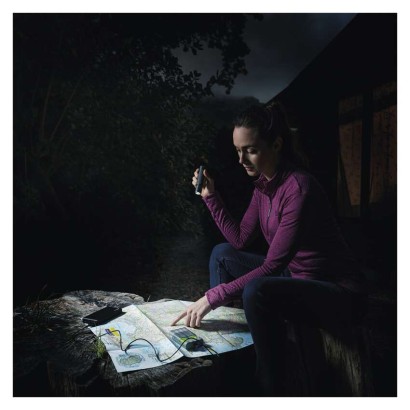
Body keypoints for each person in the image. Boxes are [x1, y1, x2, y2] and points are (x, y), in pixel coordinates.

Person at [171, 102, 366, 395]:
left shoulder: (299, 189)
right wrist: (211, 197)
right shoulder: (264, 186)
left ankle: (267, 385)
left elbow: (273, 265)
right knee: (222, 254)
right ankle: (228, 353)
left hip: (337, 292)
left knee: (257, 290)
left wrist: (213, 296)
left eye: (250, 150)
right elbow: (239, 239)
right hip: (297, 277)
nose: (241, 159)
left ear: (276, 144)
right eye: (238, 151)